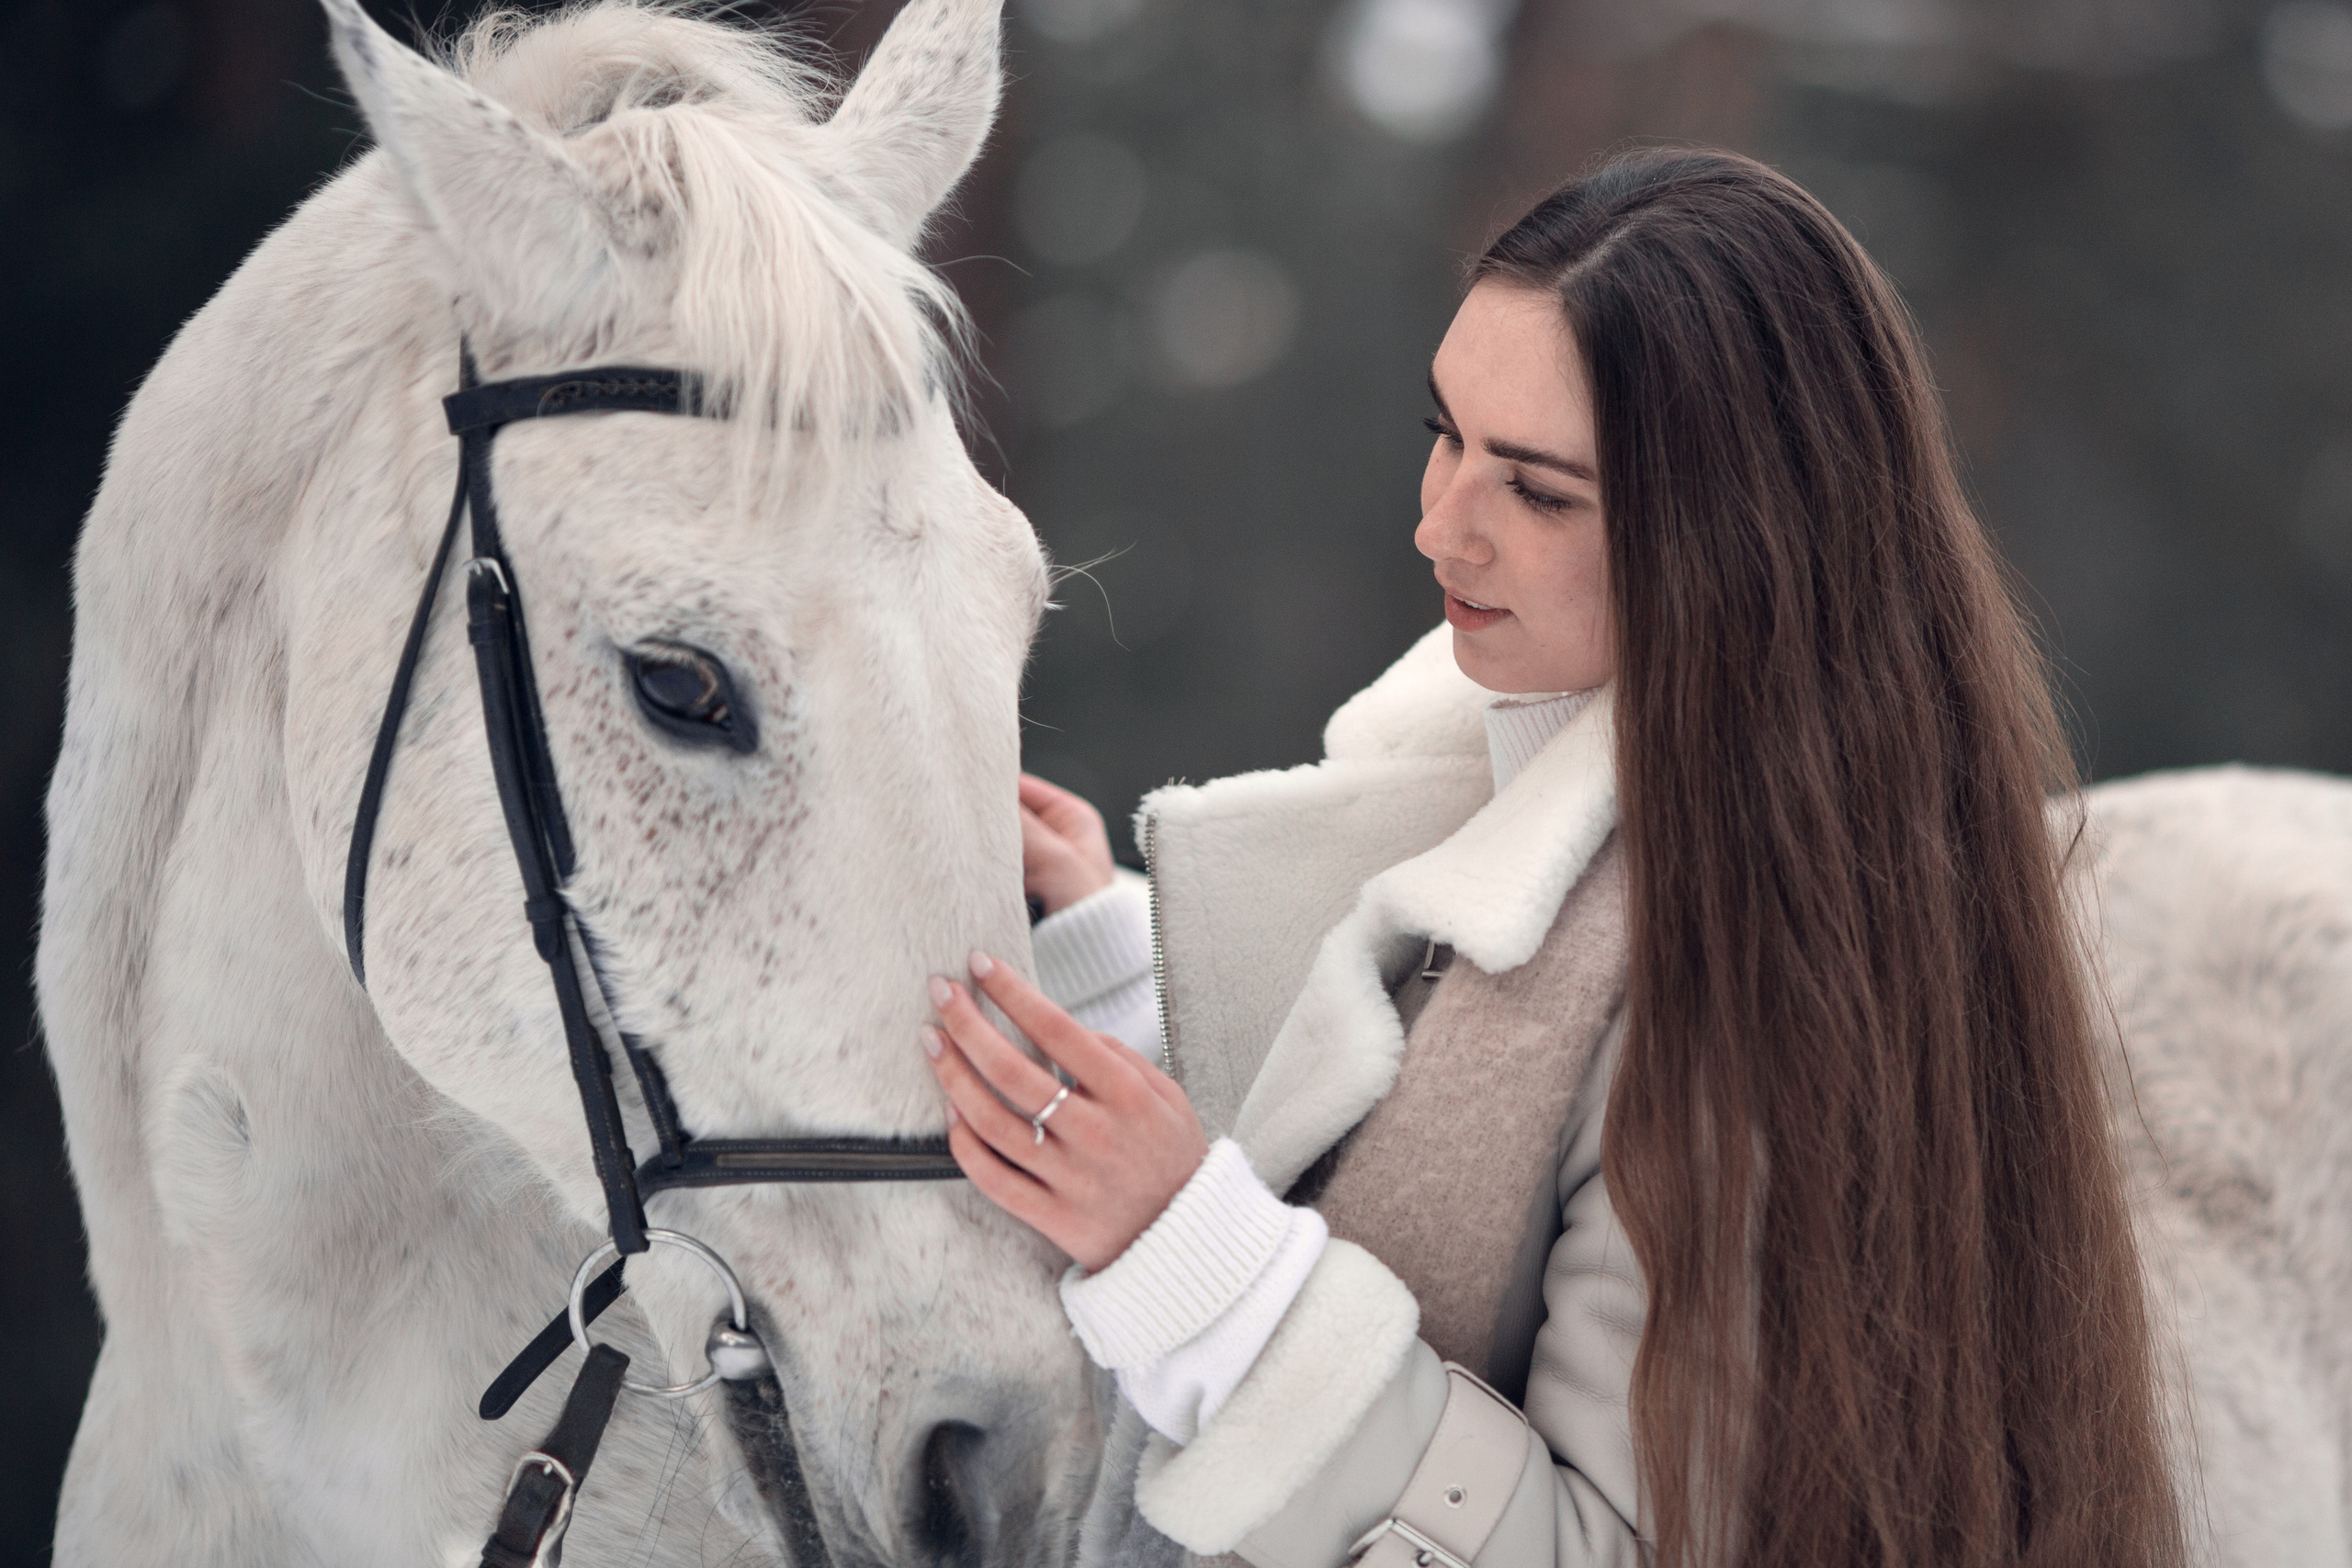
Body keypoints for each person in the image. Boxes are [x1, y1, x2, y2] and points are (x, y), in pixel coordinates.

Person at [922, 149, 2187, 1568]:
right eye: (1445, 431)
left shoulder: (1756, 986)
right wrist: (1114, 966)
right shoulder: (1531, 791)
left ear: (1735, 538)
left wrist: (1200, 1277)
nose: (1439, 521)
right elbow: (1427, 1160)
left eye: (1536, 488)